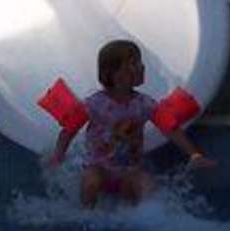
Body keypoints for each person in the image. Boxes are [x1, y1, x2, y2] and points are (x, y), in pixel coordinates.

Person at [46, 37, 213, 207]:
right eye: (134, 63)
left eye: (140, 62)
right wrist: (58, 154)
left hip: (129, 171)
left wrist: (194, 154)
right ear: (112, 73)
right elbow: (70, 129)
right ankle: (86, 216)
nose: (142, 67)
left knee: (149, 186)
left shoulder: (145, 104)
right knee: (90, 183)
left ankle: (143, 216)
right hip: (98, 168)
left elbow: (170, 128)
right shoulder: (95, 103)